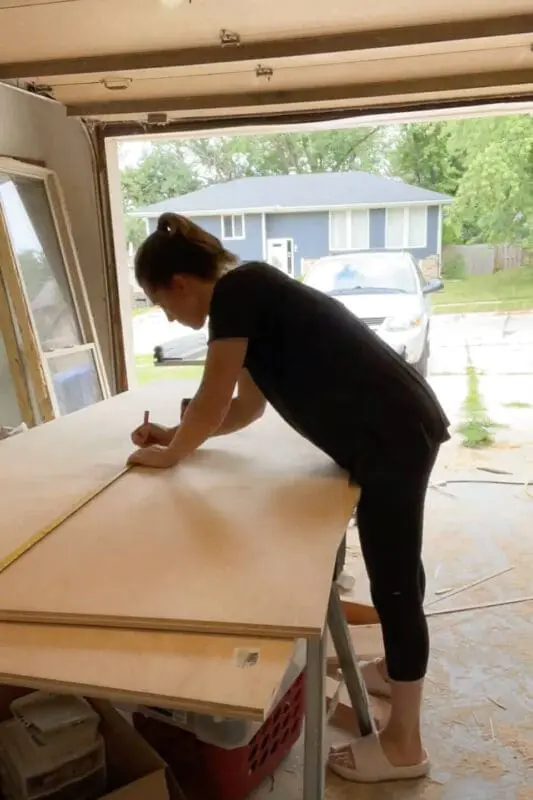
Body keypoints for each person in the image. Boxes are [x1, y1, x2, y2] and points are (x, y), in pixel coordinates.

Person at [128, 212, 450, 784]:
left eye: (161, 303)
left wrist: (173, 451)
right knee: (399, 570)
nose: (168, 315)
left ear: (179, 283)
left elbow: (212, 393)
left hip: (393, 438)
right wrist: (178, 438)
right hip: (394, 429)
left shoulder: (237, 292)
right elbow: (244, 407)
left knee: (394, 582)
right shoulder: (249, 295)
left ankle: (405, 744)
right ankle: (392, 673)